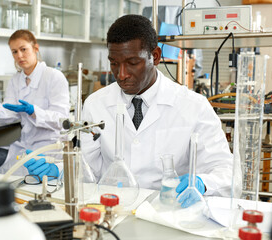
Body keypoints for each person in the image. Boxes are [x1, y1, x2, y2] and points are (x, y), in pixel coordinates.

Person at [81, 15, 239, 208]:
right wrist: (62, 169)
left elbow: (226, 171)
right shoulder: (95, 104)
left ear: (155, 56)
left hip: (169, 212)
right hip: (113, 211)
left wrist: (203, 183)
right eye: (114, 63)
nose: (121, 74)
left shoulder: (194, 106)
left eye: (132, 63)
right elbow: (88, 171)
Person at [0, 29, 69, 176]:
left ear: (35, 48)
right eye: (14, 52)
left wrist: (33, 111)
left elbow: (62, 120)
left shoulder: (54, 76)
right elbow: (8, 115)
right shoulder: (16, 80)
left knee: (28, 180)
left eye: (24, 49)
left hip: (50, 148)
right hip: (25, 145)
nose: (20, 56)